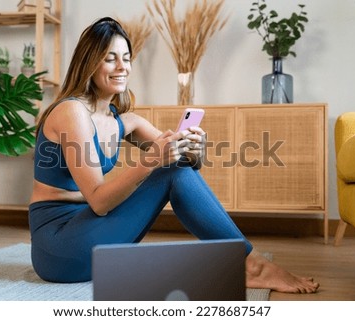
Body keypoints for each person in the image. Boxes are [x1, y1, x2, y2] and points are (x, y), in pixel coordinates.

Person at [29, 17, 319, 294]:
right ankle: (252, 266)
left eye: (126, 58)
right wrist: (152, 159)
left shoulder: (124, 121)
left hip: (88, 230)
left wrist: (195, 148)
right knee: (167, 168)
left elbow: (185, 167)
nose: (122, 67)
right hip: (59, 246)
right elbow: (100, 200)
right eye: (110, 58)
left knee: (176, 166)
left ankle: (249, 263)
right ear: (89, 63)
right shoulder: (71, 112)